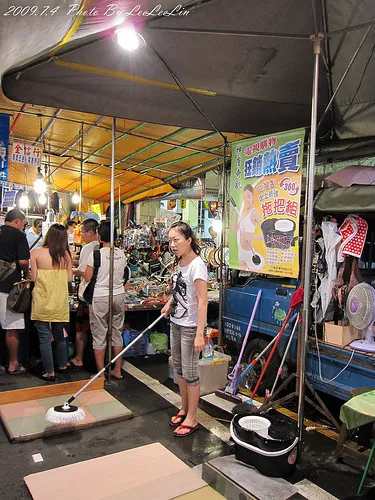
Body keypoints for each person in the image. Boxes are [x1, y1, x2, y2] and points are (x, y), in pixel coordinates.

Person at [161, 221, 208, 437]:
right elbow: (180, 291)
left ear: (189, 240)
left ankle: (192, 417)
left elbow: (202, 301)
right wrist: (170, 303)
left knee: (190, 373)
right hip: (176, 323)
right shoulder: (179, 263)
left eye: (176, 239)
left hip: (190, 328)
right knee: (179, 369)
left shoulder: (197, 265)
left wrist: (200, 333)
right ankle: (184, 407)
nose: (172, 244)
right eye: (170, 240)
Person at [84, 221, 126, 379]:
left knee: (99, 334)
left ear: (100, 236)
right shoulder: (121, 253)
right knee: (117, 332)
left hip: (101, 296)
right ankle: (118, 370)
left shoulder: (96, 254)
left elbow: (88, 277)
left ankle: (101, 374)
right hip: (119, 295)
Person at [30, 223, 72, 381]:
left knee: (44, 338)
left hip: (42, 300)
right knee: (59, 335)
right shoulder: (66, 256)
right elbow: (69, 279)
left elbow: (33, 278)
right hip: (59, 301)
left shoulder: (35, 253)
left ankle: (50, 371)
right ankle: (62, 364)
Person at [0, 209, 30, 374]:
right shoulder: (19, 235)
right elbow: (23, 261)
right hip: (10, 288)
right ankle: (13, 364)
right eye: (24, 223)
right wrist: (27, 273)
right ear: (18, 221)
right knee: (11, 327)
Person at [68, 218, 99, 369]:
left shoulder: (88, 248)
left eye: (82, 232)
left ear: (91, 232)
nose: (81, 236)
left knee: (82, 329)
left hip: (87, 294)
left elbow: (84, 273)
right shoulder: (105, 247)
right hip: (100, 295)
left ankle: (79, 358)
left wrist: (70, 269)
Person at [231, 184, 263, 270]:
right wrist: (234, 214)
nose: (246, 200)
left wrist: (252, 236)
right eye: (244, 197)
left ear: (253, 196)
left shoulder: (254, 212)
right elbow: (234, 230)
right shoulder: (243, 213)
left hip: (250, 253)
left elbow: (266, 235)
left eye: (248, 196)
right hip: (240, 252)